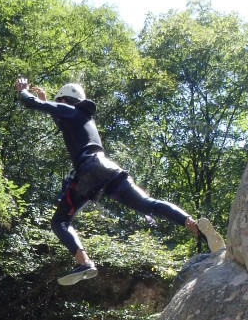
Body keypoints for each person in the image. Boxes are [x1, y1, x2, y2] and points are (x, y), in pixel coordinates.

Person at [14, 77, 225, 285]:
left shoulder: (70, 111)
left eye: (58, 102)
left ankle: (84, 261)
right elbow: (64, 122)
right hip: (110, 171)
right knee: (148, 204)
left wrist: (24, 91)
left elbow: (32, 104)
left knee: (59, 221)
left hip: (89, 171)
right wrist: (49, 101)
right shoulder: (83, 118)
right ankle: (196, 228)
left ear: (65, 100)